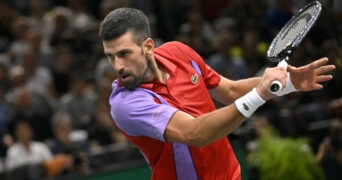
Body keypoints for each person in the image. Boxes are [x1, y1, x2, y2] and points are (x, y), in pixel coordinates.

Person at [99, 7, 335, 180]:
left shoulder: (178, 52)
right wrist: (260, 94)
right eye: (111, 56)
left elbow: (230, 91)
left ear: (148, 46)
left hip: (230, 174)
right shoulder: (125, 104)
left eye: (124, 53)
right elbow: (195, 133)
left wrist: (290, 83)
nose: (118, 66)